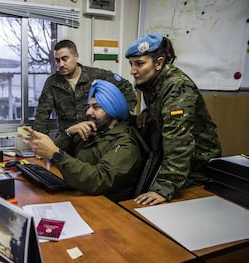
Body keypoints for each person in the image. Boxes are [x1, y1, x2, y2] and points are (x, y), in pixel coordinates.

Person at [125, 32, 222, 205]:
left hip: (196, 164)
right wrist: (148, 111)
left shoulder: (178, 86)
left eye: (139, 64)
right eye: (131, 64)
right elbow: (162, 103)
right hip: (176, 163)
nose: (133, 71)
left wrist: (165, 186)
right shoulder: (153, 81)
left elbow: (178, 139)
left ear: (159, 62)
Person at [20, 80, 144, 202]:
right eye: (89, 107)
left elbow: (99, 180)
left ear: (113, 110)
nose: (88, 112)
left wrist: (57, 155)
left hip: (104, 205)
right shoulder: (94, 131)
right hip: (81, 193)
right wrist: (68, 133)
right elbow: (54, 158)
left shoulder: (126, 143)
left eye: (96, 107)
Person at [33, 39, 137, 136]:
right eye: (57, 60)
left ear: (76, 56)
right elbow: (41, 115)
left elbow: (126, 88)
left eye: (65, 59)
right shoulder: (53, 82)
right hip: (69, 138)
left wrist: (121, 116)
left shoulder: (96, 75)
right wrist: (40, 141)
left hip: (96, 136)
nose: (61, 64)